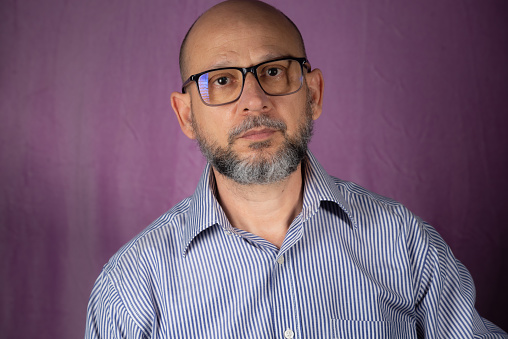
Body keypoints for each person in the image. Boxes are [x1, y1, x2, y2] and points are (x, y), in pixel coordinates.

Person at [85, 0, 507, 338]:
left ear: (315, 94)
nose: (254, 100)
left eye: (273, 71)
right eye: (222, 81)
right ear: (186, 116)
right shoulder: (130, 289)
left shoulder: (405, 243)